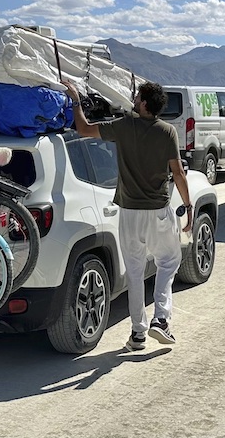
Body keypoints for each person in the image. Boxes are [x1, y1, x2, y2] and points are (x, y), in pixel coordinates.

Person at [62, 77, 193, 351]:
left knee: (134, 272)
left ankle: (138, 334)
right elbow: (179, 173)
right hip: (157, 211)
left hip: (129, 213)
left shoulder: (123, 127)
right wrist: (188, 205)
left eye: (137, 97)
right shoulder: (167, 131)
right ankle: (161, 319)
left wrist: (75, 100)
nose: (133, 100)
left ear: (144, 103)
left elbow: (83, 129)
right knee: (169, 261)